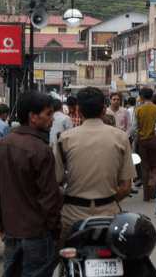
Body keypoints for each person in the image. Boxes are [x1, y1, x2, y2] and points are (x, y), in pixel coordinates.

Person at [0, 91, 62, 277]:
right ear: (33, 117)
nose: (51, 119)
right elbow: (49, 197)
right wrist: (55, 229)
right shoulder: (41, 150)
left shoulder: (2, 145)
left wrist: (1, 222)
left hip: (12, 229)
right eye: (48, 114)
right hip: (37, 232)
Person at [55, 87, 135, 242]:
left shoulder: (65, 138)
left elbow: (55, 182)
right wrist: (107, 201)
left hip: (72, 216)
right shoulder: (121, 137)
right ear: (104, 110)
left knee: (60, 256)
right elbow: (126, 188)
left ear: (78, 110)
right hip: (109, 215)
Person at [136, 88, 156, 202]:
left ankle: (146, 195)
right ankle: (153, 191)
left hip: (142, 141)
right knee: (155, 167)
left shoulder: (138, 110)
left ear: (141, 97)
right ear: (151, 96)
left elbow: (134, 127)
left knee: (144, 168)